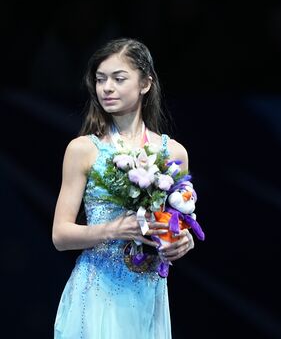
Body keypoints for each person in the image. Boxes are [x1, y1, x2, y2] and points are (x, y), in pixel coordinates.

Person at [52, 38, 194, 338]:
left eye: (119, 79)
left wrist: (182, 241)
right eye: (100, 80)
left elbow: (174, 224)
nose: (107, 88)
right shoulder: (83, 149)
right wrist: (114, 229)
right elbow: (60, 235)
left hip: (149, 292)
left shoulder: (174, 153)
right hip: (97, 290)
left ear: (145, 83)